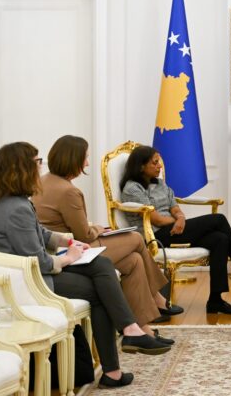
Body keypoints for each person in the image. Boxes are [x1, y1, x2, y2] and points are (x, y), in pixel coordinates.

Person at [0, 142, 171, 389]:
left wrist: (66, 241)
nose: (40, 167)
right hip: (32, 283)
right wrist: (68, 257)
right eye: (37, 162)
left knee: (101, 264)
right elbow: (38, 261)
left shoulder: (16, 201)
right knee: (100, 291)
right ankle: (117, 363)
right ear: (21, 168)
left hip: (36, 273)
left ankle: (130, 332)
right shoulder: (15, 208)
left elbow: (40, 234)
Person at [32, 135, 180, 343]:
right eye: (85, 158)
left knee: (134, 261)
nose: (87, 163)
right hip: (71, 252)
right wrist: (97, 229)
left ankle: (142, 330)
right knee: (136, 239)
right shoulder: (69, 191)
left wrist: (93, 229)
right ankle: (156, 296)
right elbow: (83, 235)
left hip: (61, 246)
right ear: (73, 159)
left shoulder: (44, 181)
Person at [120, 145, 231, 315]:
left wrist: (181, 218)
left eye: (159, 161)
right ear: (141, 166)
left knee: (220, 239)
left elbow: (174, 207)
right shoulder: (133, 189)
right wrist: (177, 221)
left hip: (173, 230)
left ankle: (215, 300)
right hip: (155, 236)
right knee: (219, 219)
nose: (159, 166)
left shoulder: (160, 183)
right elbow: (156, 219)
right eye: (154, 163)